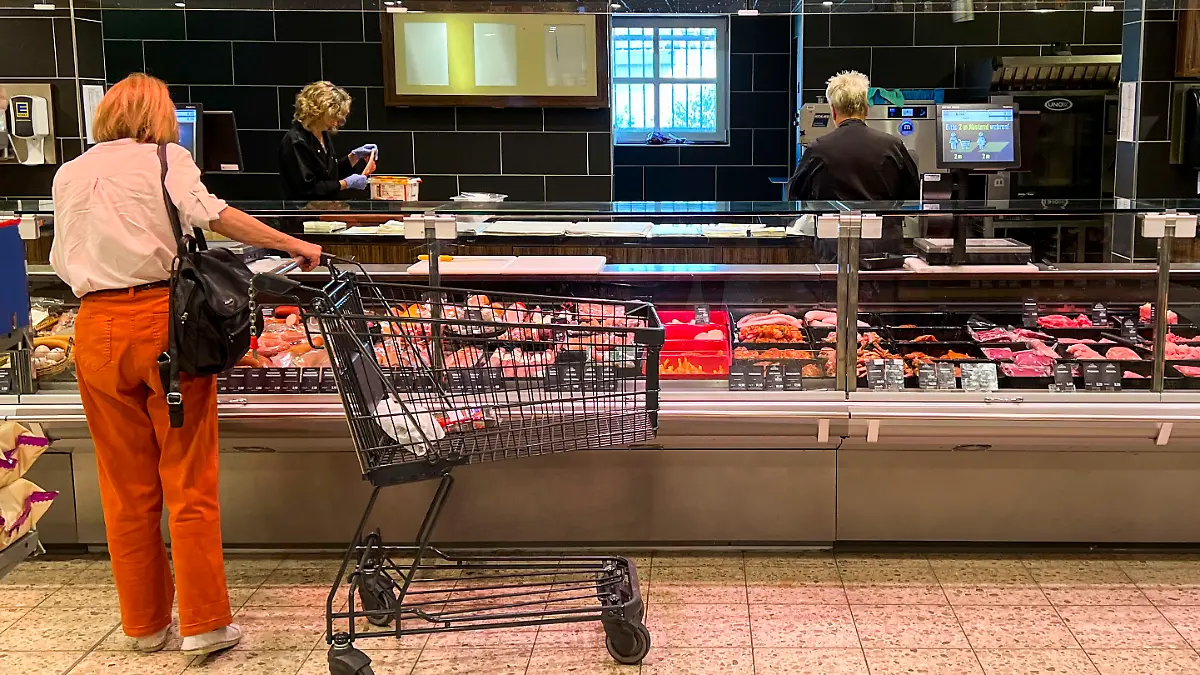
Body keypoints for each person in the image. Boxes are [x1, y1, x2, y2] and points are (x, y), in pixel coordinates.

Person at [50, 73, 322, 656]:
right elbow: (214, 215)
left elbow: (60, 259)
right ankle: (203, 623)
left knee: (124, 489)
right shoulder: (165, 158)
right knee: (188, 481)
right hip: (163, 326)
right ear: (159, 116)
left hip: (93, 329)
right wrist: (291, 243)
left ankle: (145, 624)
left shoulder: (69, 171)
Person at [787, 70, 920, 260]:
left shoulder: (817, 149)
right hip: (884, 250)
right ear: (866, 109)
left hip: (834, 250)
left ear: (833, 111)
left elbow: (794, 195)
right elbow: (913, 193)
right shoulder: (893, 146)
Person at [279, 81, 377, 200]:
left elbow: (329, 175)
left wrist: (354, 157)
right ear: (318, 112)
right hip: (304, 209)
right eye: (333, 117)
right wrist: (346, 183)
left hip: (325, 207)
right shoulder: (296, 141)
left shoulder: (322, 133)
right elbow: (308, 189)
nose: (336, 123)